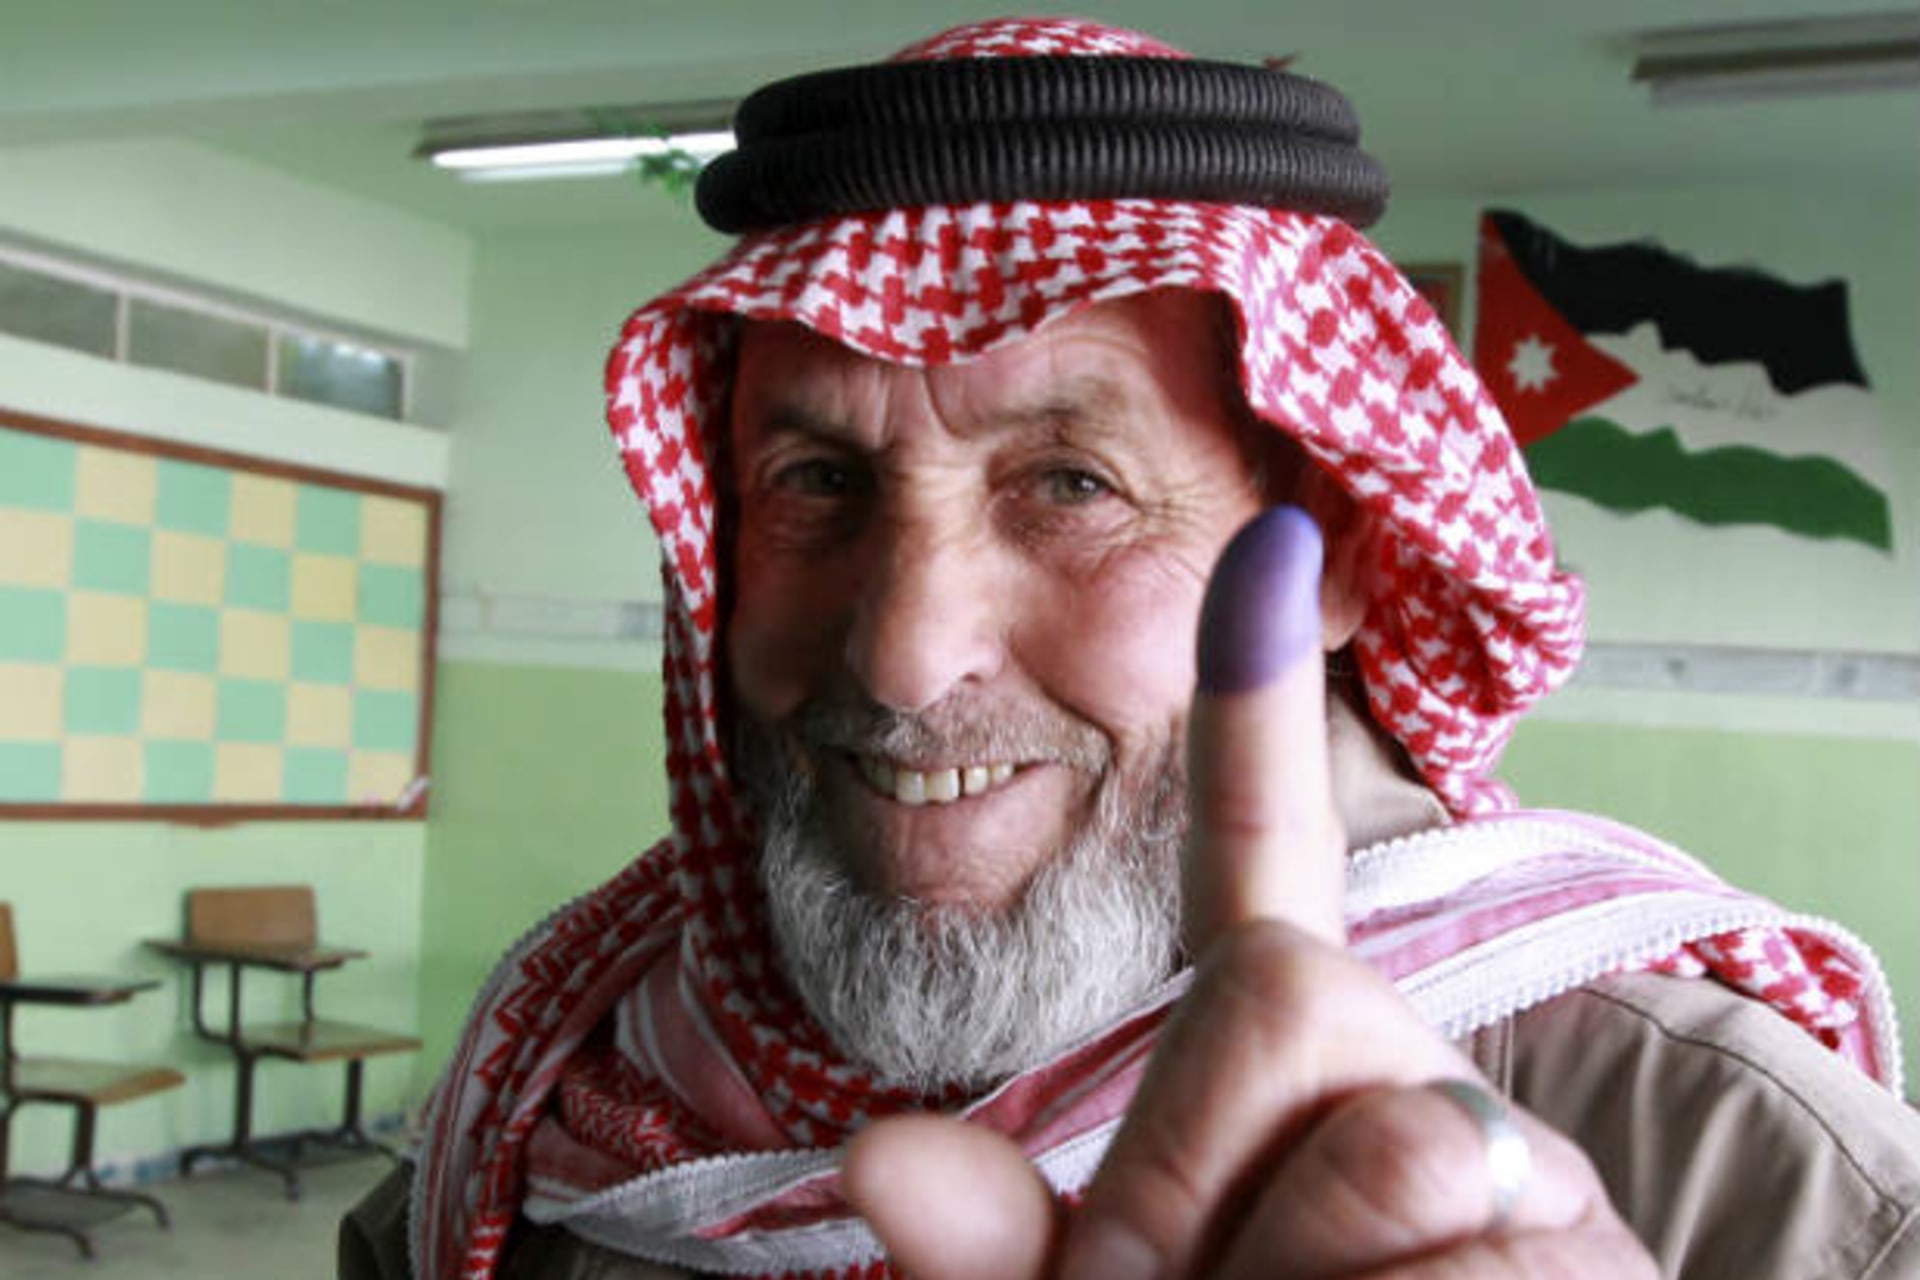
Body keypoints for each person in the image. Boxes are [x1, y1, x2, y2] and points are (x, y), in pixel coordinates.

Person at [341, 17, 1920, 1280]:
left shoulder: (1731, 1165)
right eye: (815, 482)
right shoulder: (560, 1086)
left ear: (1337, 560)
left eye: (1072, 486)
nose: (902, 660)